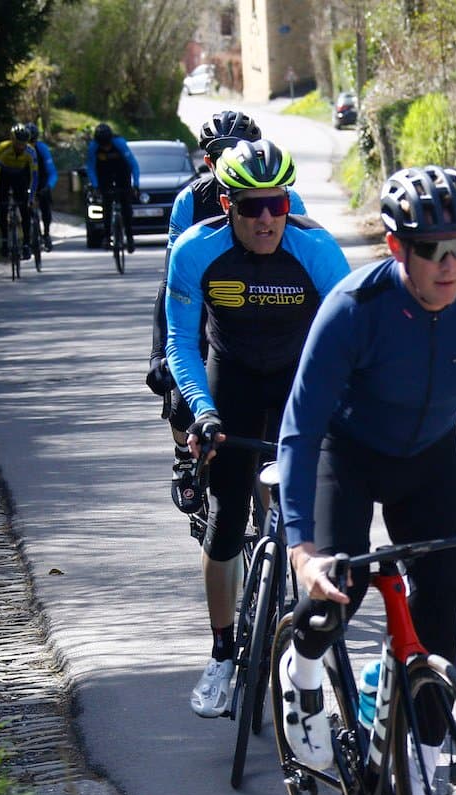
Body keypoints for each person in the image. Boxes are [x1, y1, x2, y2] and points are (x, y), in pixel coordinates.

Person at [276, 165, 456, 795]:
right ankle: (302, 680)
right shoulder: (353, 307)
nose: (452, 265)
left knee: (442, 606)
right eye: (435, 251)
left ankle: (425, 781)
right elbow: (300, 429)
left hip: (429, 454)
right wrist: (301, 547)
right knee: (337, 585)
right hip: (348, 448)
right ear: (398, 249)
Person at [163, 139, 352, 719]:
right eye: (251, 207)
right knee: (224, 517)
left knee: (310, 520)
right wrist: (202, 410)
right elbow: (180, 342)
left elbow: (350, 336)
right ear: (227, 205)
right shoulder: (196, 251)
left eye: (277, 204)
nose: (267, 218)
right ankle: (222, 652)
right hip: (233, 379)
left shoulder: (315, 249)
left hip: (299, 379)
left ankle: (308, 651)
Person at [147, 111, 309, 524]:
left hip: (266, 304)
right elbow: (170, 285)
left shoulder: (281, 198)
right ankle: (185, 457)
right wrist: (157, 355)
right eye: (220, 154)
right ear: (208, 162)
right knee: (183, 386)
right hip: (207, 299)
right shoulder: (191, 200)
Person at [0, 123, 41, 261]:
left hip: (20, 176)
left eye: (23, 144)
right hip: (3, 175)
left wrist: (31, 197)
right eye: (18, 143)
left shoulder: (31, 151)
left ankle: (26, 244)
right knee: (3, 209)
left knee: (25, 210)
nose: (21, 147)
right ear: (12, 140)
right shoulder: (2, 148)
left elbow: (34, 176)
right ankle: (5, 241)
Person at [85, 123, 140, 253]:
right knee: (106, 206)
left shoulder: (119, 143)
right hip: (105, 176)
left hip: (122, 174)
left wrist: (136, 184)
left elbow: (133, 164)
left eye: (107, 143)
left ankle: (130, 237)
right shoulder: (93, 147)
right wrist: (95, 185)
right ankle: (107, 236)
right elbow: (91, 167)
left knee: (126, 206)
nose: (105, 147)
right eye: (102, 144)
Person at [24, 123, 57, 251]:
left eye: (32, 141)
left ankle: (47, 234)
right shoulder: (21, 149)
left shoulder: (42, 149)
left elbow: (52, 171)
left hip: (42, 180)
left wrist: (49, 186)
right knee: (25, 207)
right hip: (26, 181)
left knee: (45, 204)